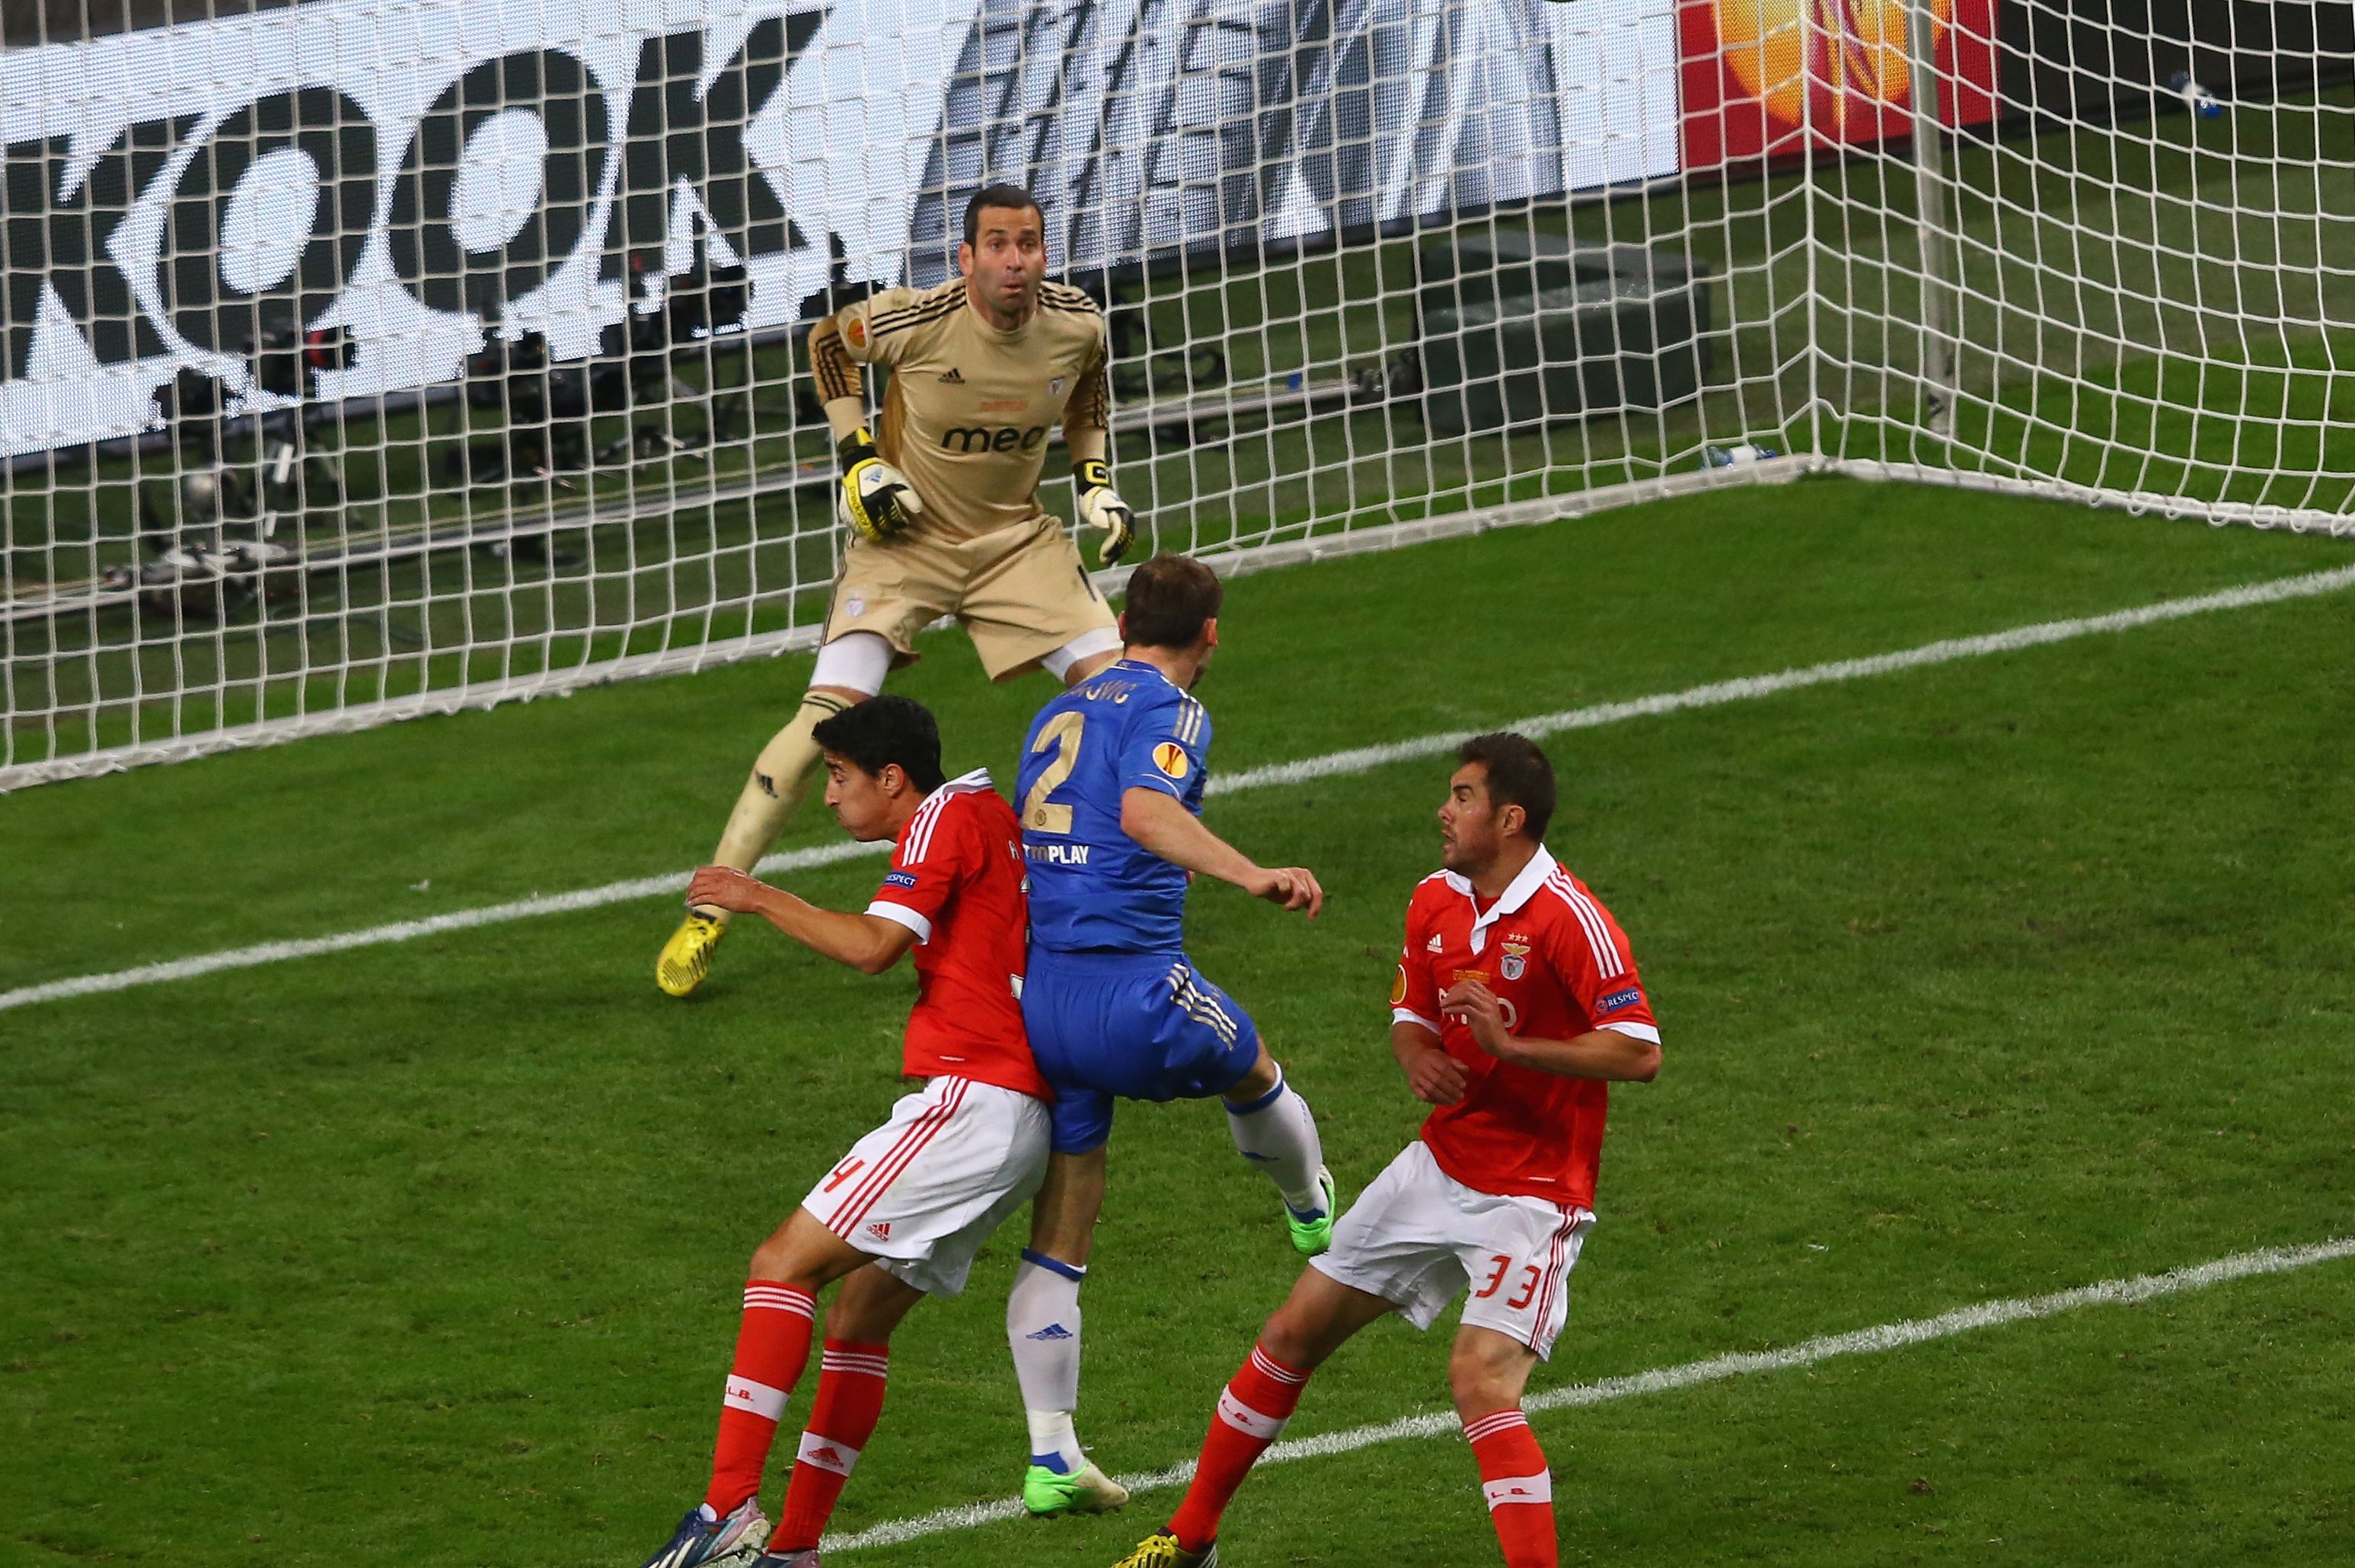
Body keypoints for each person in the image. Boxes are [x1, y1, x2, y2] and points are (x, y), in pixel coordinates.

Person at [1105, 733, 1664, 1568]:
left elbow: (1639, 1049)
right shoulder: (1436, 899)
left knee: (1480, 1381)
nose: (1444, 810)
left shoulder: (1567, 917)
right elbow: (1411, 1008)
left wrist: (1511, 1048)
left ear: (1510, 819)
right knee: (1290, 1332)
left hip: (1534, 1193)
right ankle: (1191, 1539)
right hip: (1440, 1165)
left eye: (1463, 797)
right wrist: (1416, 1054)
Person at [656, 183, 1138, 997]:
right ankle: (710, 912)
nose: (1014, 261)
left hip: (1015, 543)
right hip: (903, 544)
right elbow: (826, 342)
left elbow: (1086, 392)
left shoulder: (1077, 322)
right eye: (997, 245)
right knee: (818, 728)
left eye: (1028, 244)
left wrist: (1094, 480)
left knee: (1127, 701)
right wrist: (859, 456)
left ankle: (1126, 881)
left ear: (1043, 253)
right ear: (967, 257)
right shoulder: (916, 319)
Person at [637, 696, 1048, 1568]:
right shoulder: (988, 811)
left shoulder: (942, 816)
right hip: (1023, 1118)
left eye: (838, 776)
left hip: (973, 1100)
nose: (828, 797)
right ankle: (793, 1550)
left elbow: (873, 946)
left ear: (891, 778)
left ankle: (727, 1504)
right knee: (858, 1318)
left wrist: (757, 896)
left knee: (780, 1263)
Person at [1004, 553, 1337, 1518]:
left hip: (1046, 1000)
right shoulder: (1174, 709)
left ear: (1121, 622)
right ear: (1211, 634)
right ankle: (1311, 1209)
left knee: (1063, 1228)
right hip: (1136, 991)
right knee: (1254, 1068)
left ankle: (1050, 1454)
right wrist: (1250, 872)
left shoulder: (1058, 708)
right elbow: (1145, 811)